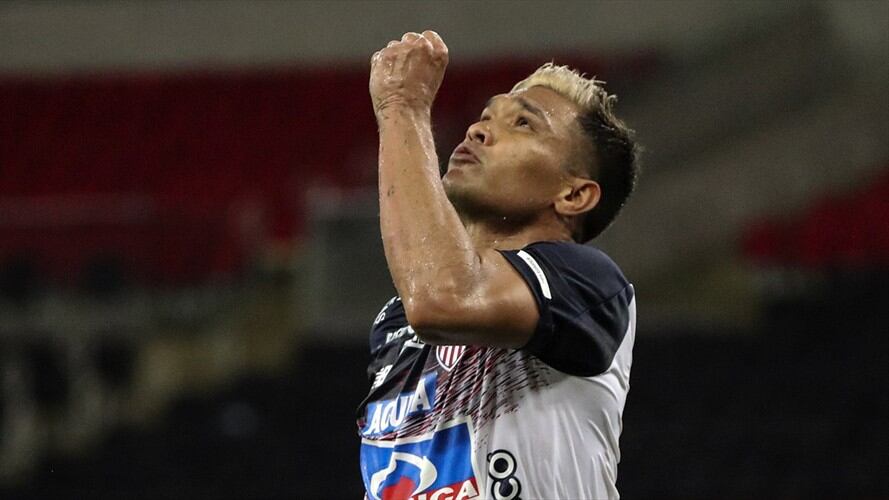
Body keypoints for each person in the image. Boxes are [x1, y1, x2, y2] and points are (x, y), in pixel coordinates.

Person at [358, 31, 639, 500]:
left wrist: (403, 107)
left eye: (524, 124)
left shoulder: (588, 284)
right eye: (485, 117)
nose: (477, 130)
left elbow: (444, 300)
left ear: (574, 194)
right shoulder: (394, 321)